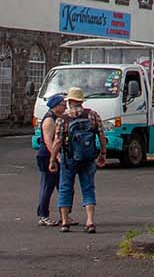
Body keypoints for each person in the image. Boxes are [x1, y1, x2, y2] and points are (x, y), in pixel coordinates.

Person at [51, 87, 107, 233]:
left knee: (65, 188)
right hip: (88, 157)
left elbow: (57, 141)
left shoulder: (63, 118)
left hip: (69, 158)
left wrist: (52, 159)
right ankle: (89, 221)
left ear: (70, 101)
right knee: (88, 187)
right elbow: (101, 136)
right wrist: (103, 153)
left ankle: (64, 222)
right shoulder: (93, 115)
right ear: (81, 101)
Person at [36, 93, 67, 226]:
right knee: (47, 185)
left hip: (54, 154)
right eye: (62, 104)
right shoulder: (49, 119)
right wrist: (55, 157)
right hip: (47, 154)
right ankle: (43, 215)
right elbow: (48, 141)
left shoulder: (58, 118)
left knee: (62, 186)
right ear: (56, 106)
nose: (65, 106)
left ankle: (64, 216)